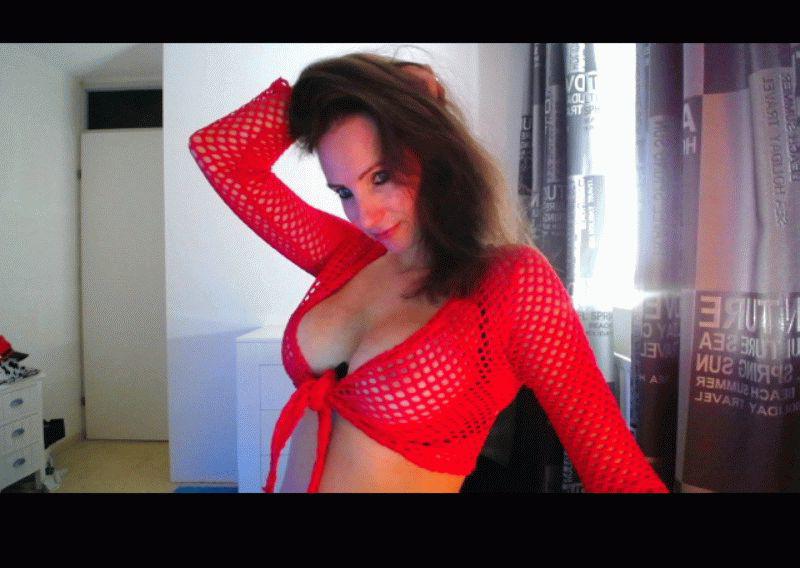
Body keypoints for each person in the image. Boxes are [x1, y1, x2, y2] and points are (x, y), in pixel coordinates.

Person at [188, 52, 669, 493]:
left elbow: (616, 469)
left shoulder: (511, 283)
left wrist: (388, 95)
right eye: (344, 192)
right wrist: (344, 90)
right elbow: (220, 154)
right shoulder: (348, 256)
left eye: (380, 177)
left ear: (434, 151)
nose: (366, 215)